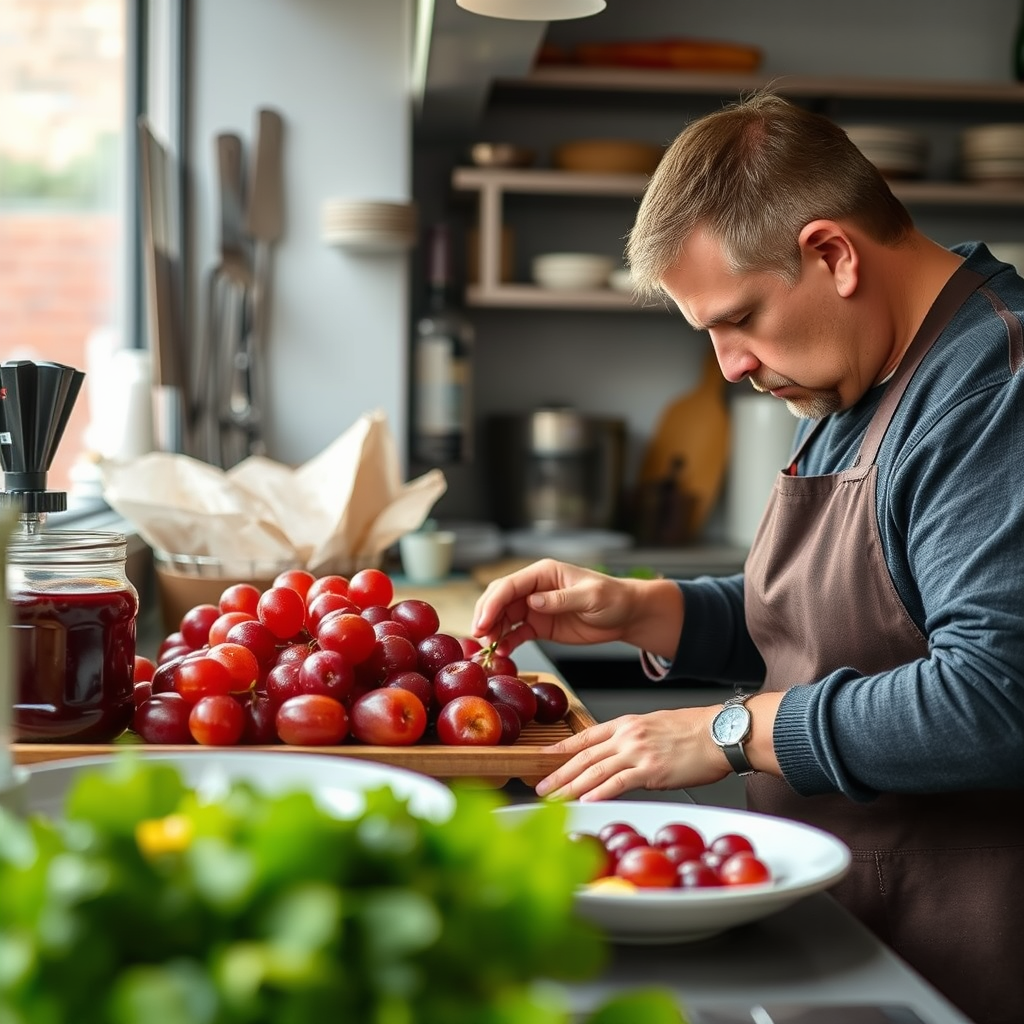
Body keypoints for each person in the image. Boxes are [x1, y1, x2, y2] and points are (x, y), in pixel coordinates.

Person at [472, 92, 1024, 1024]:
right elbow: (847, 613)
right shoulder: (861, 362)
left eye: (741, 319)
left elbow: (995, 697)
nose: (729, 365)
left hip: (955, 958)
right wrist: (650, 610)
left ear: (833, 255)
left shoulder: (996, 390)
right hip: (841, 926)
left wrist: (729, 731)